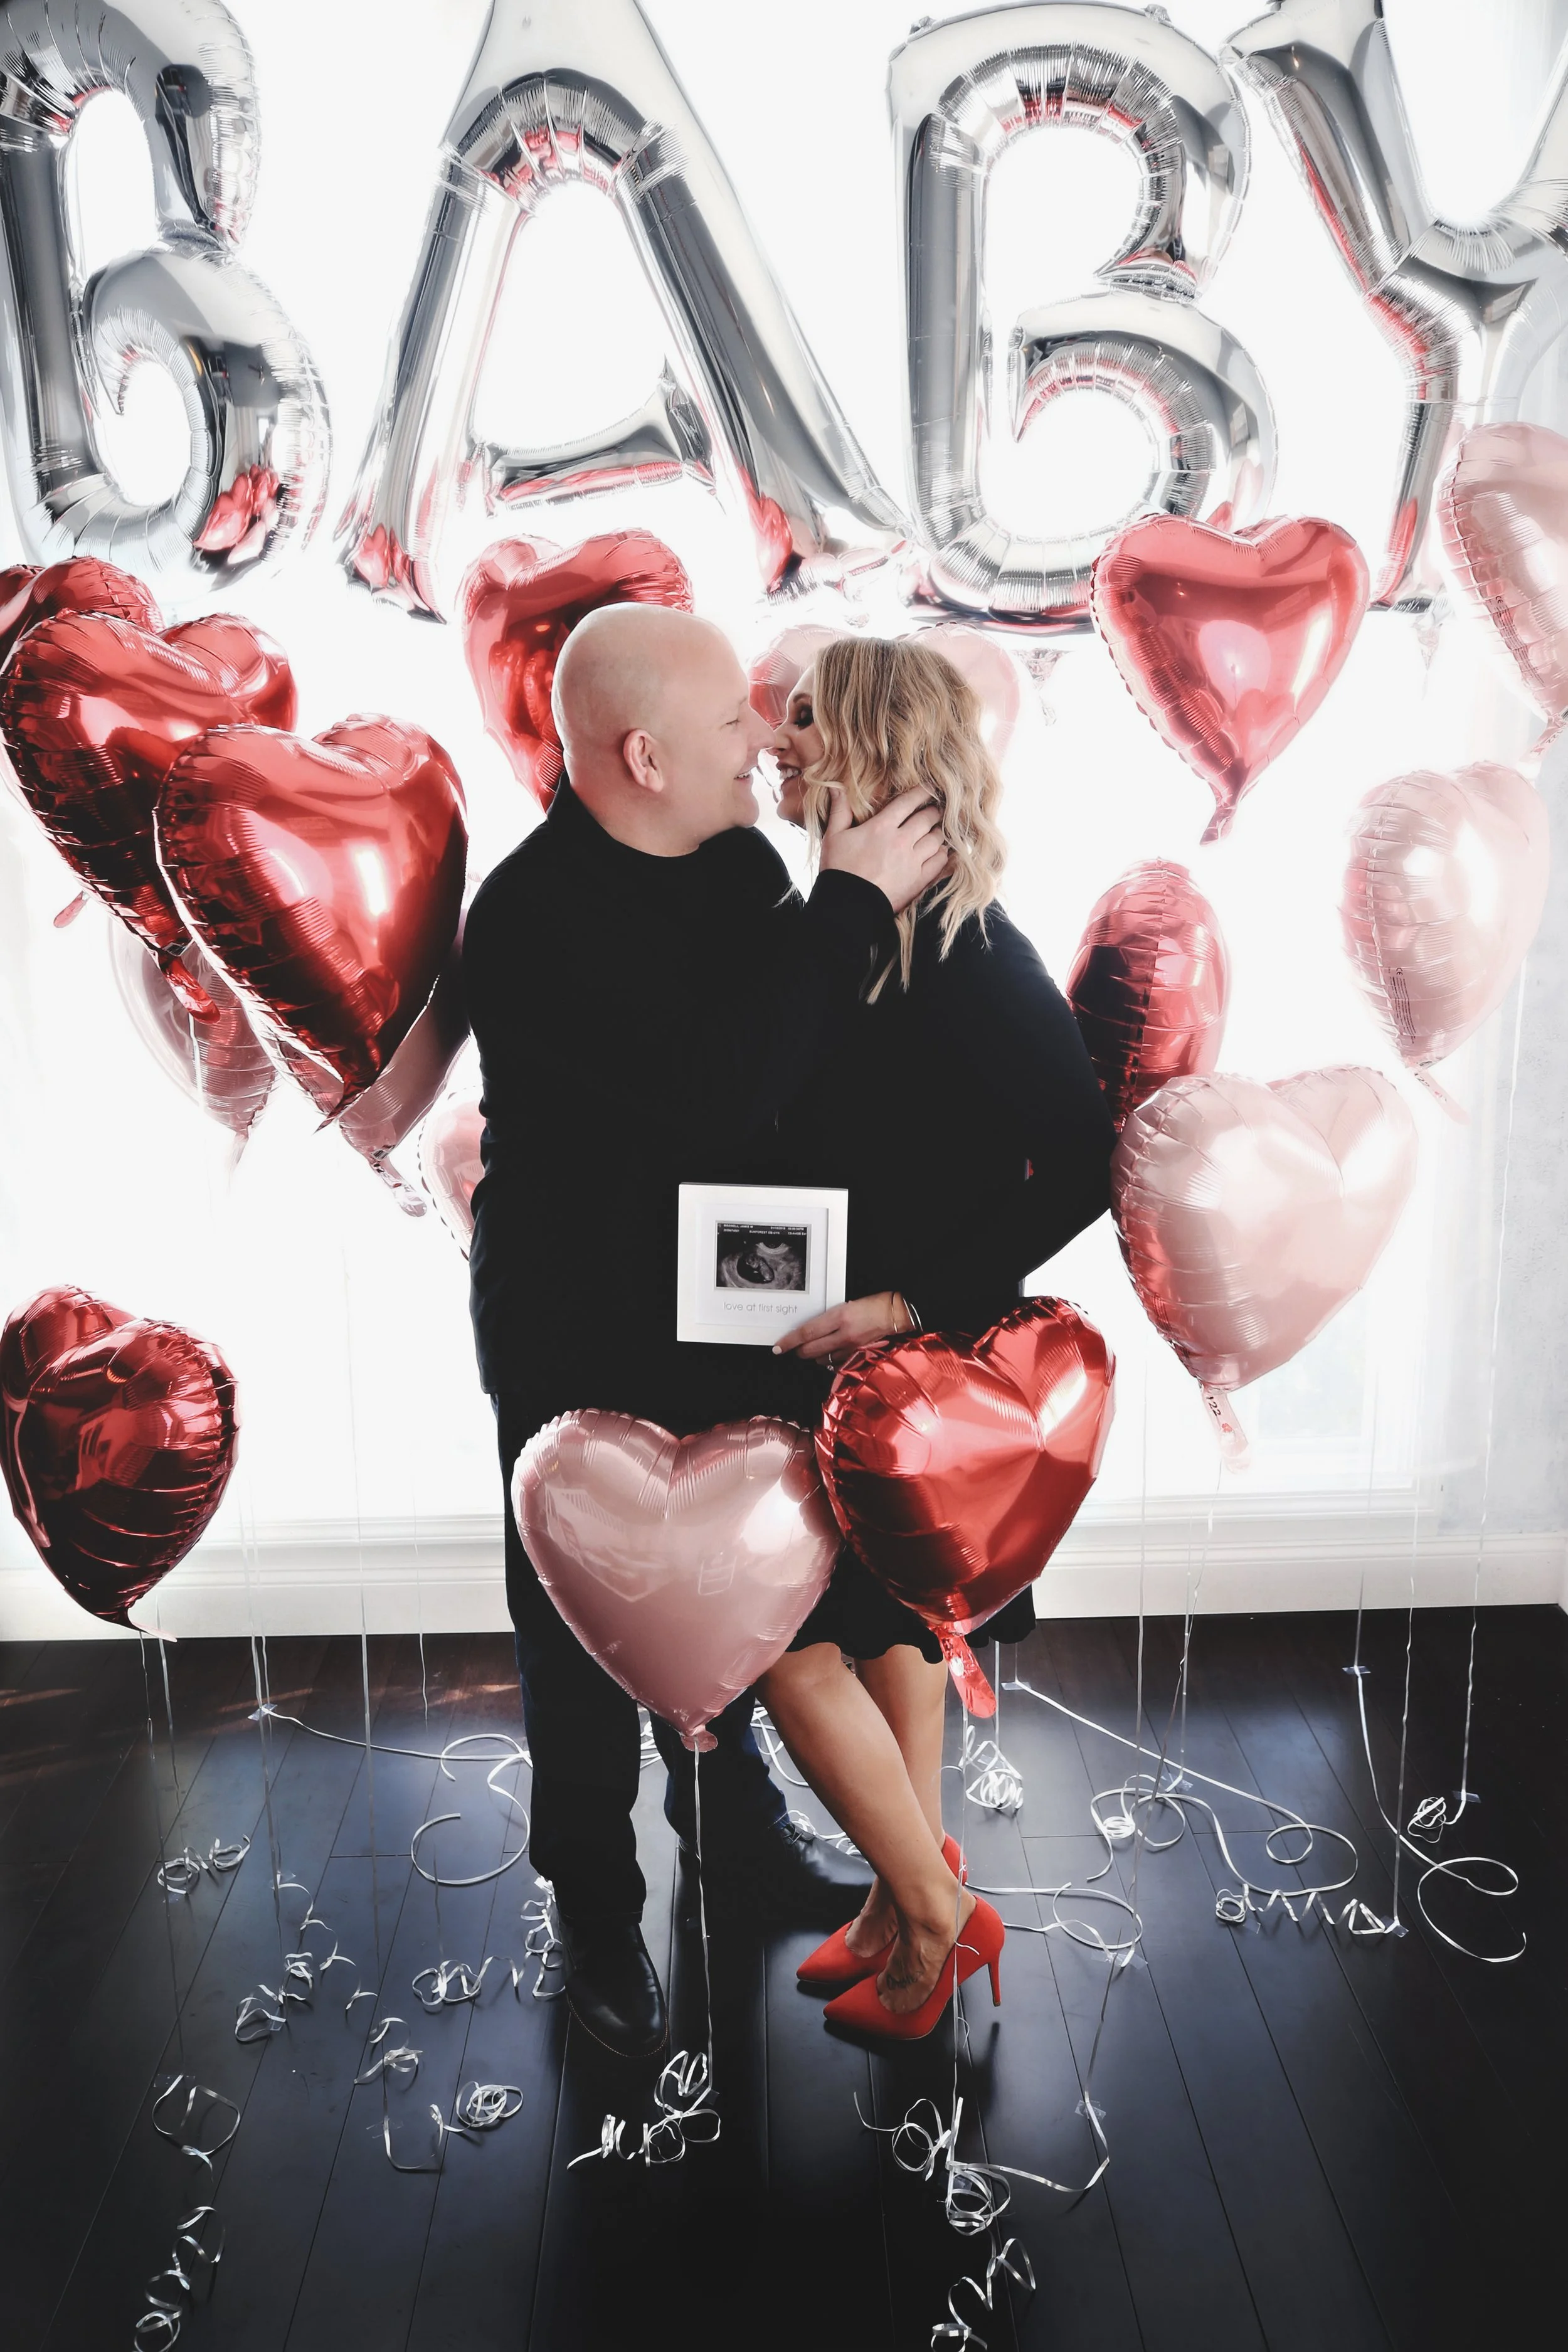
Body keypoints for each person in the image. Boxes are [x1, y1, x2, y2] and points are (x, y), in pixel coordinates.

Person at [462, 603, 949, 2058]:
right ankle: (599, 1919)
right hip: (572, 1324)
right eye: (735, 723)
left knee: (744, 1582)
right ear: (642, 755)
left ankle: (733, 1839)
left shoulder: (738, 862)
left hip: (723, 1306)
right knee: (575, 1631)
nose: (764, 741)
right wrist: (850, 900)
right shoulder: (527, 920)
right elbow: (715, 1093)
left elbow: (802, 1071)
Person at [749, 634, 1116, 2038]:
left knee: (809, 1640)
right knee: (881, 1633)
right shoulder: (844, 923)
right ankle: (896, 1903)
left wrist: (913, 1304)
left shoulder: (968, 945)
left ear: (867, 749)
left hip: (910, 1372)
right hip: (834, 1358)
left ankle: (937, 1929)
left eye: (802, 730)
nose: (779, 751)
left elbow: (1081, 1161)